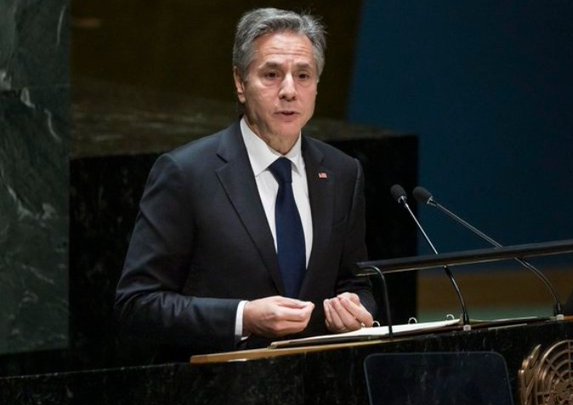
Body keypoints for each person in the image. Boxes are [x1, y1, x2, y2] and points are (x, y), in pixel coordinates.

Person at [114, 7, 376, 355]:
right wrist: (243, 317)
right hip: (223, 382)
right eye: (271, 74)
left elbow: (357, 283)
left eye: (303, 75)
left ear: (316, 85)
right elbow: (137, 304)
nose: (289, 90)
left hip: (318, 381)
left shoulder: (343, 173)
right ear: (240, 83)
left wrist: (356, 309)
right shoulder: (185, 173)